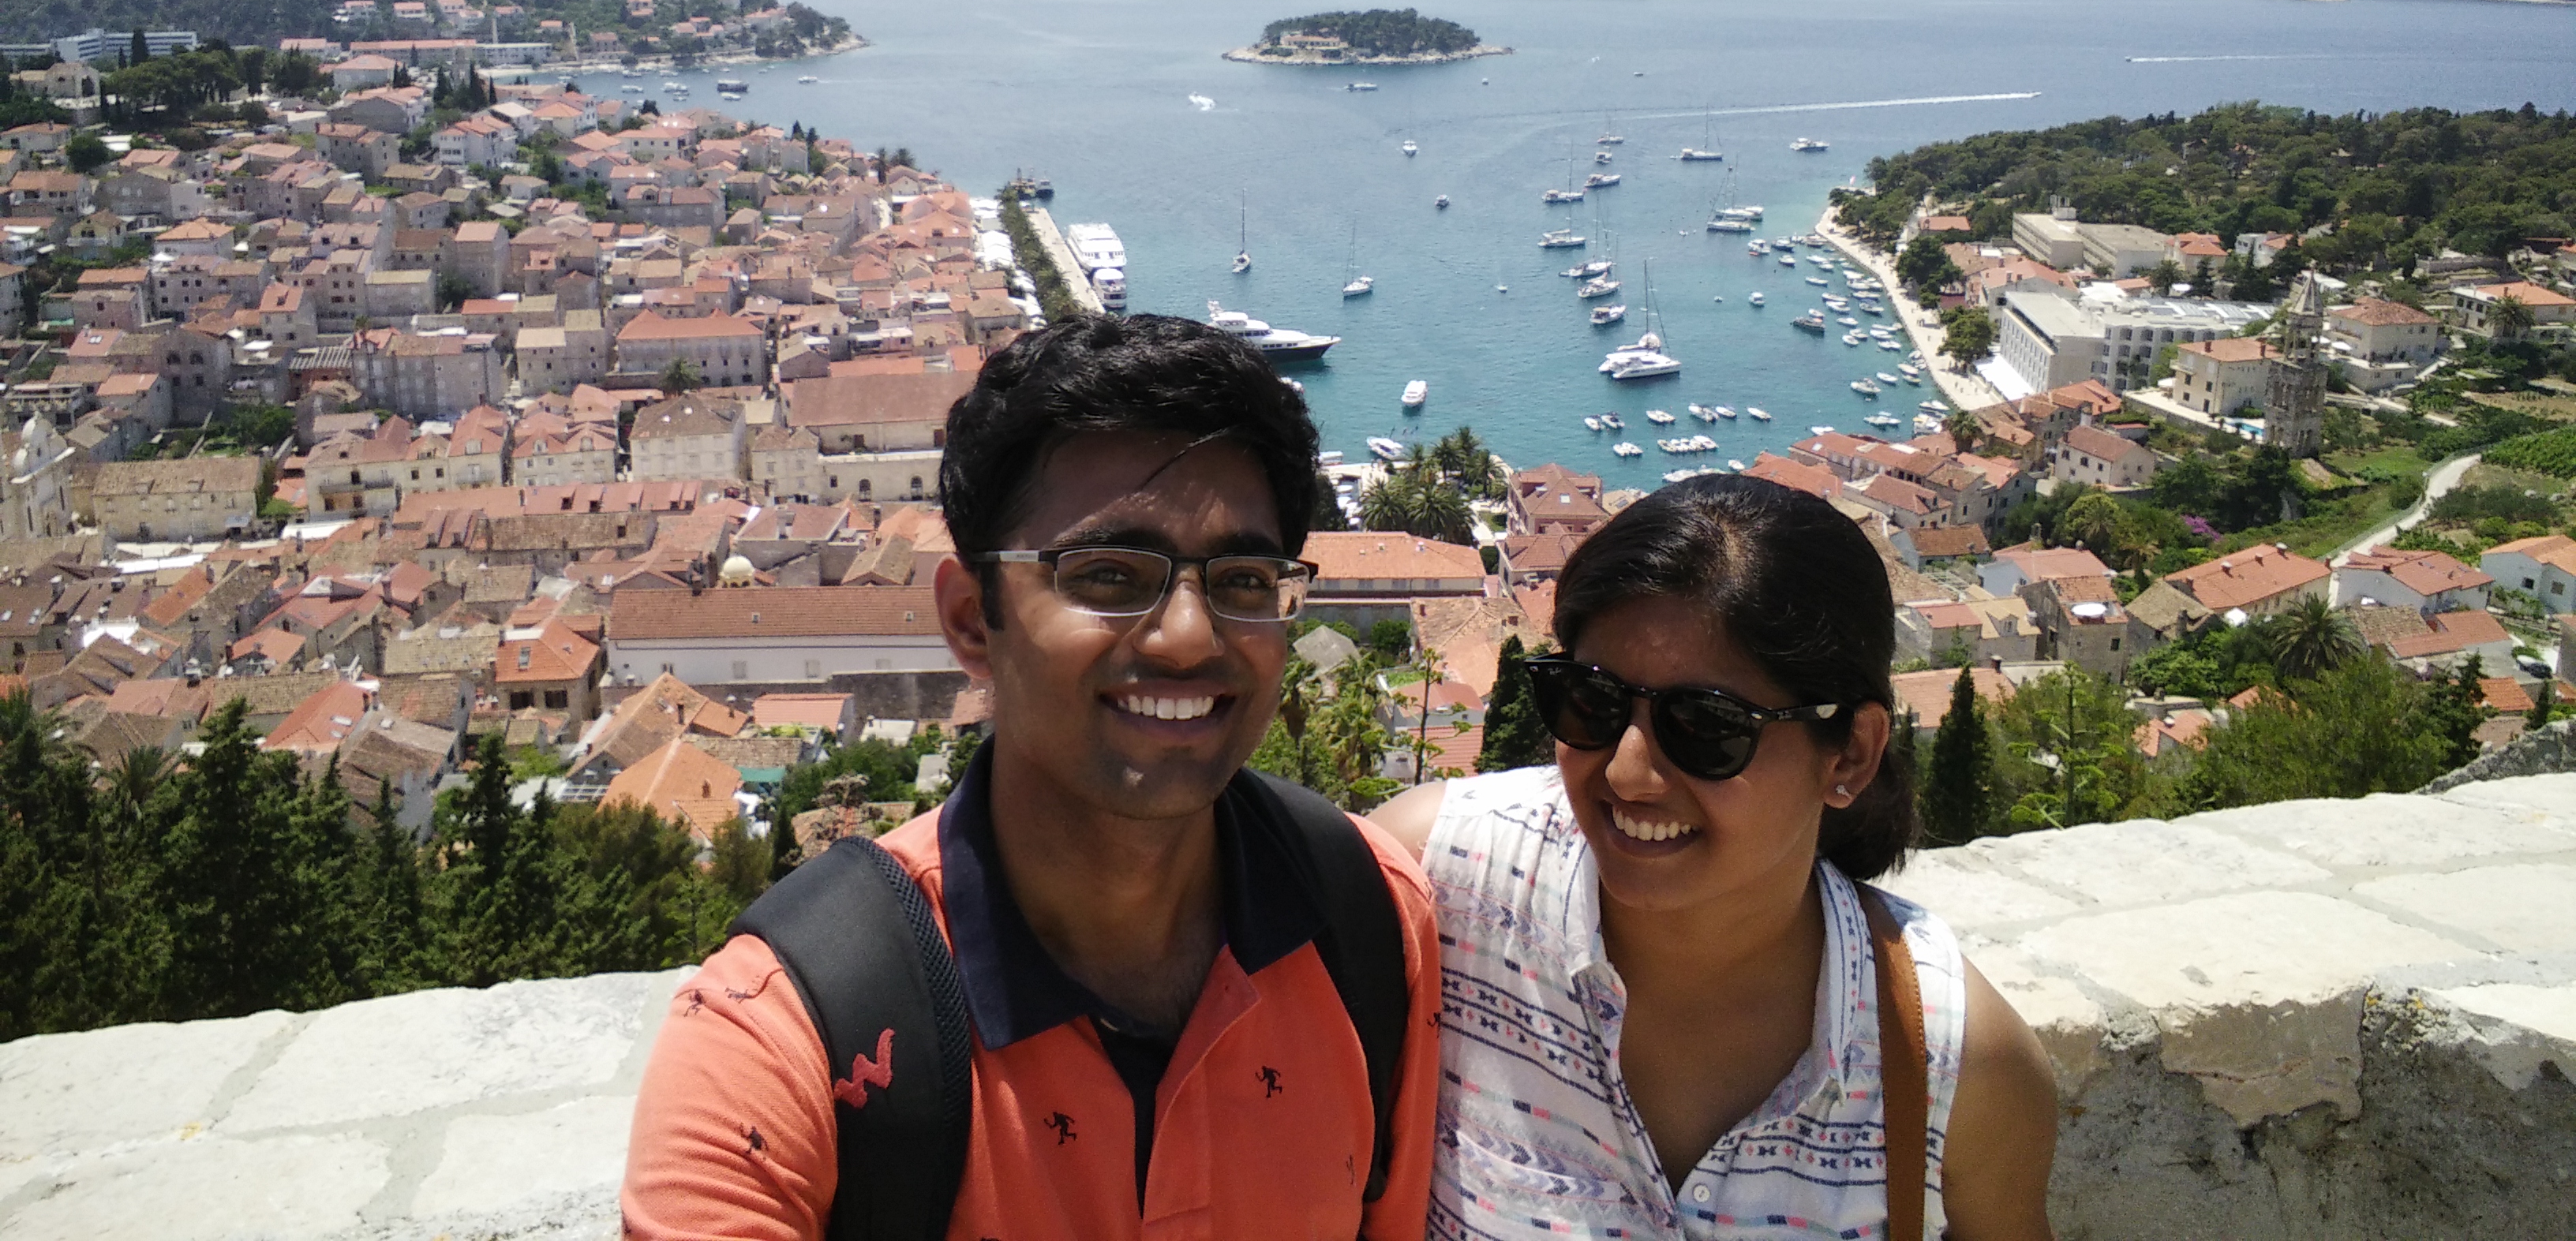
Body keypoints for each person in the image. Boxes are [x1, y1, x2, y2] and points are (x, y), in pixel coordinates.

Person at [623, 312, 1441, 1240]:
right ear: (973, 620)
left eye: (1245, 581)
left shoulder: (1371, 923)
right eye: (1108, 575)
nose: (1188, 637)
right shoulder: (780, 1043)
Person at [1374, 473, 2057, 1239]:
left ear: (1850, 756)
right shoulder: (1435, 887)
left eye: (1706, 724)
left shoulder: (1956, 1063)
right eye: (1592, 701)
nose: (1630, 773)